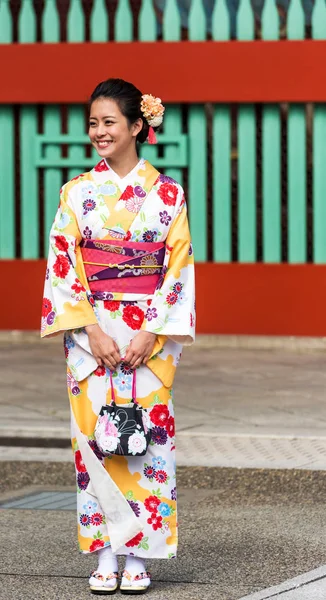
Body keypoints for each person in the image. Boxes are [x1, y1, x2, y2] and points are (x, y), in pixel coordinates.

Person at [41, 78, 195, 595]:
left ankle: (140, 557)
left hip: (148, 336)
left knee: (147, 445)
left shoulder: (167, 194)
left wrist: (151, 331)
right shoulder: (76, 193)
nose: (99, 132)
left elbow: (177, 267)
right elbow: (63, 266)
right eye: (93, 123)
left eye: (109, 122)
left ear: (136, 126)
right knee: (94, 442)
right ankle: (107, 551)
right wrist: (89, 329)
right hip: (92, 337)